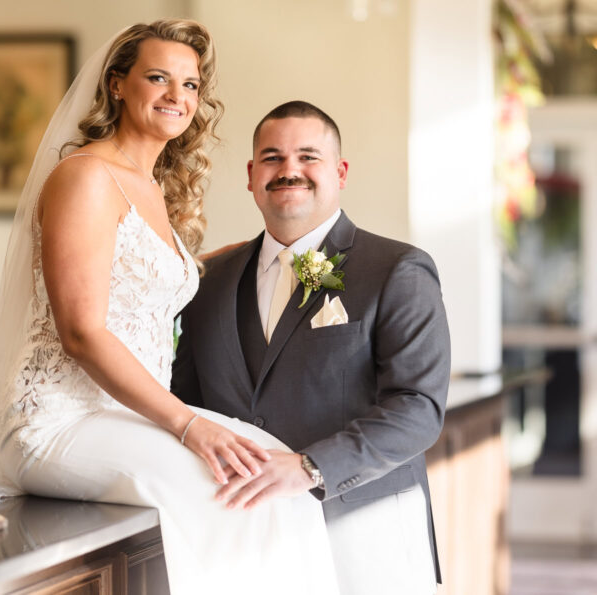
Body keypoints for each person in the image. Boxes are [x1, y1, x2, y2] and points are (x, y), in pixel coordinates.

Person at [0, 21, 339, 595]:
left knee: (280, 477)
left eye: (189, 85)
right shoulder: (85, 177)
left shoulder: (151, 186)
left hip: (122, 417)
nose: (176, 97)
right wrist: (190, 426)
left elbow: (141, 277)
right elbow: (82, 331)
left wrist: (252, 253)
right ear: (117, 85)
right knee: (232, 490)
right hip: (54, 421)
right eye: (158, 78)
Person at [173, 101, 451, 595]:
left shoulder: (397, 269)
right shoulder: (207, 282)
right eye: (273, 158)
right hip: (240, 537)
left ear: (340, 172)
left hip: (361, 534)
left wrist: (309, 468)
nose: (289, 170)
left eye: (308, 156)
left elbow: (418, 408)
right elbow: (185, 402)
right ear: (252, 174)